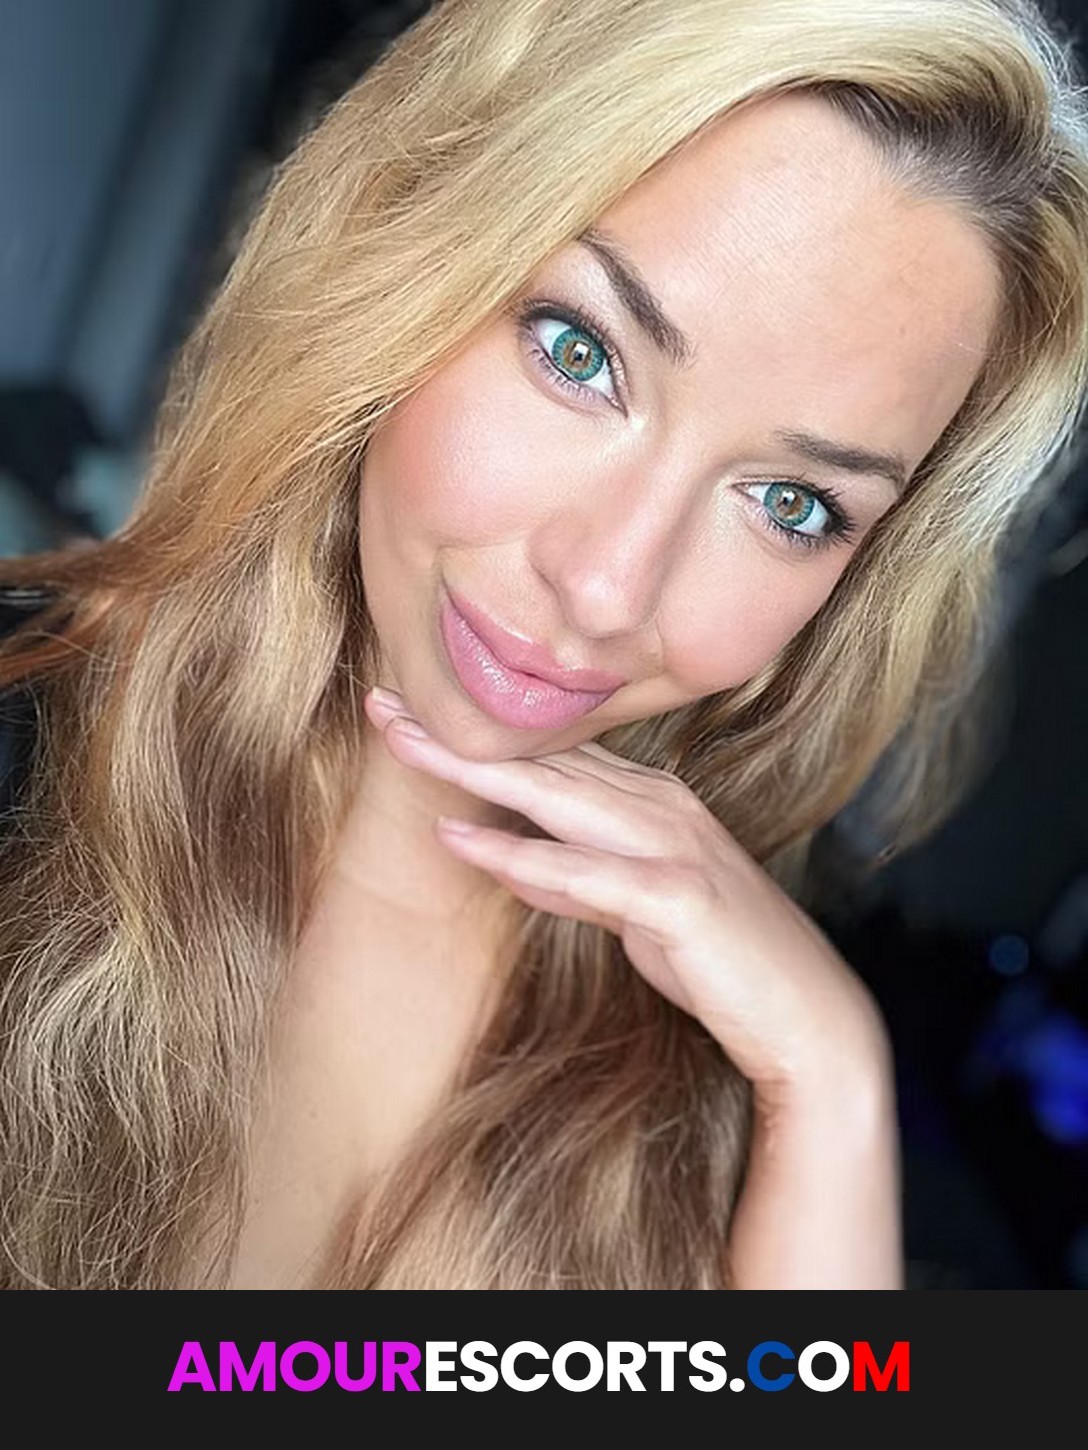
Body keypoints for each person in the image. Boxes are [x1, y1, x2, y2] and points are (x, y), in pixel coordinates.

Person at [0, 0, 1086, 1292]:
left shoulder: (739, 1083)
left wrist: (833, 1084)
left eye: (792, 504)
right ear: (406, 255)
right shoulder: (23, 761)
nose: (608, 585)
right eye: (581, 354)